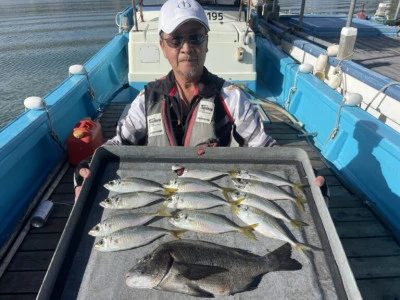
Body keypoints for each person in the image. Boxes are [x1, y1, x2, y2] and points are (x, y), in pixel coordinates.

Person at [74, 0, 327, 200]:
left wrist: (303, 172)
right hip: (156, 199)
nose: (187, 47)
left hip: (213, 199)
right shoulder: (145, 100)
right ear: (163, 46)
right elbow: (118, 144)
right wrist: (88, 165)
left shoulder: (232, 98)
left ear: (206, 44)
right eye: (176, 39)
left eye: (195, 37)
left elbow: (265, 149)